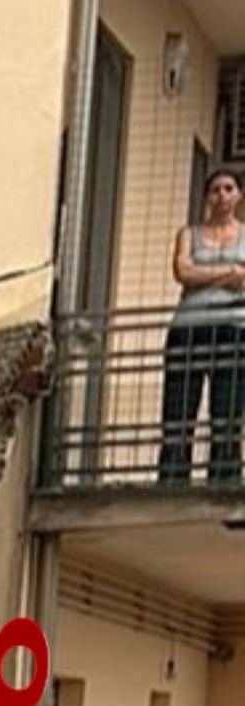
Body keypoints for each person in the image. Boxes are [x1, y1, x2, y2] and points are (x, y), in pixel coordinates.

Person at [165, 167, 245, 484]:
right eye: (215, 190)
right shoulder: (188, 234)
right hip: (188, 327)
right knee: (179, 406)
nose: (222, 195)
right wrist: (230, 273)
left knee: (226, 411)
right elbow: (182, 271)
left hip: (234, 328)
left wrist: (203, 273)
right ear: (207, 197)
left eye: (228, 188)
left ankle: (223, 478)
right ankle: (172, 477)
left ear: (238, 195)